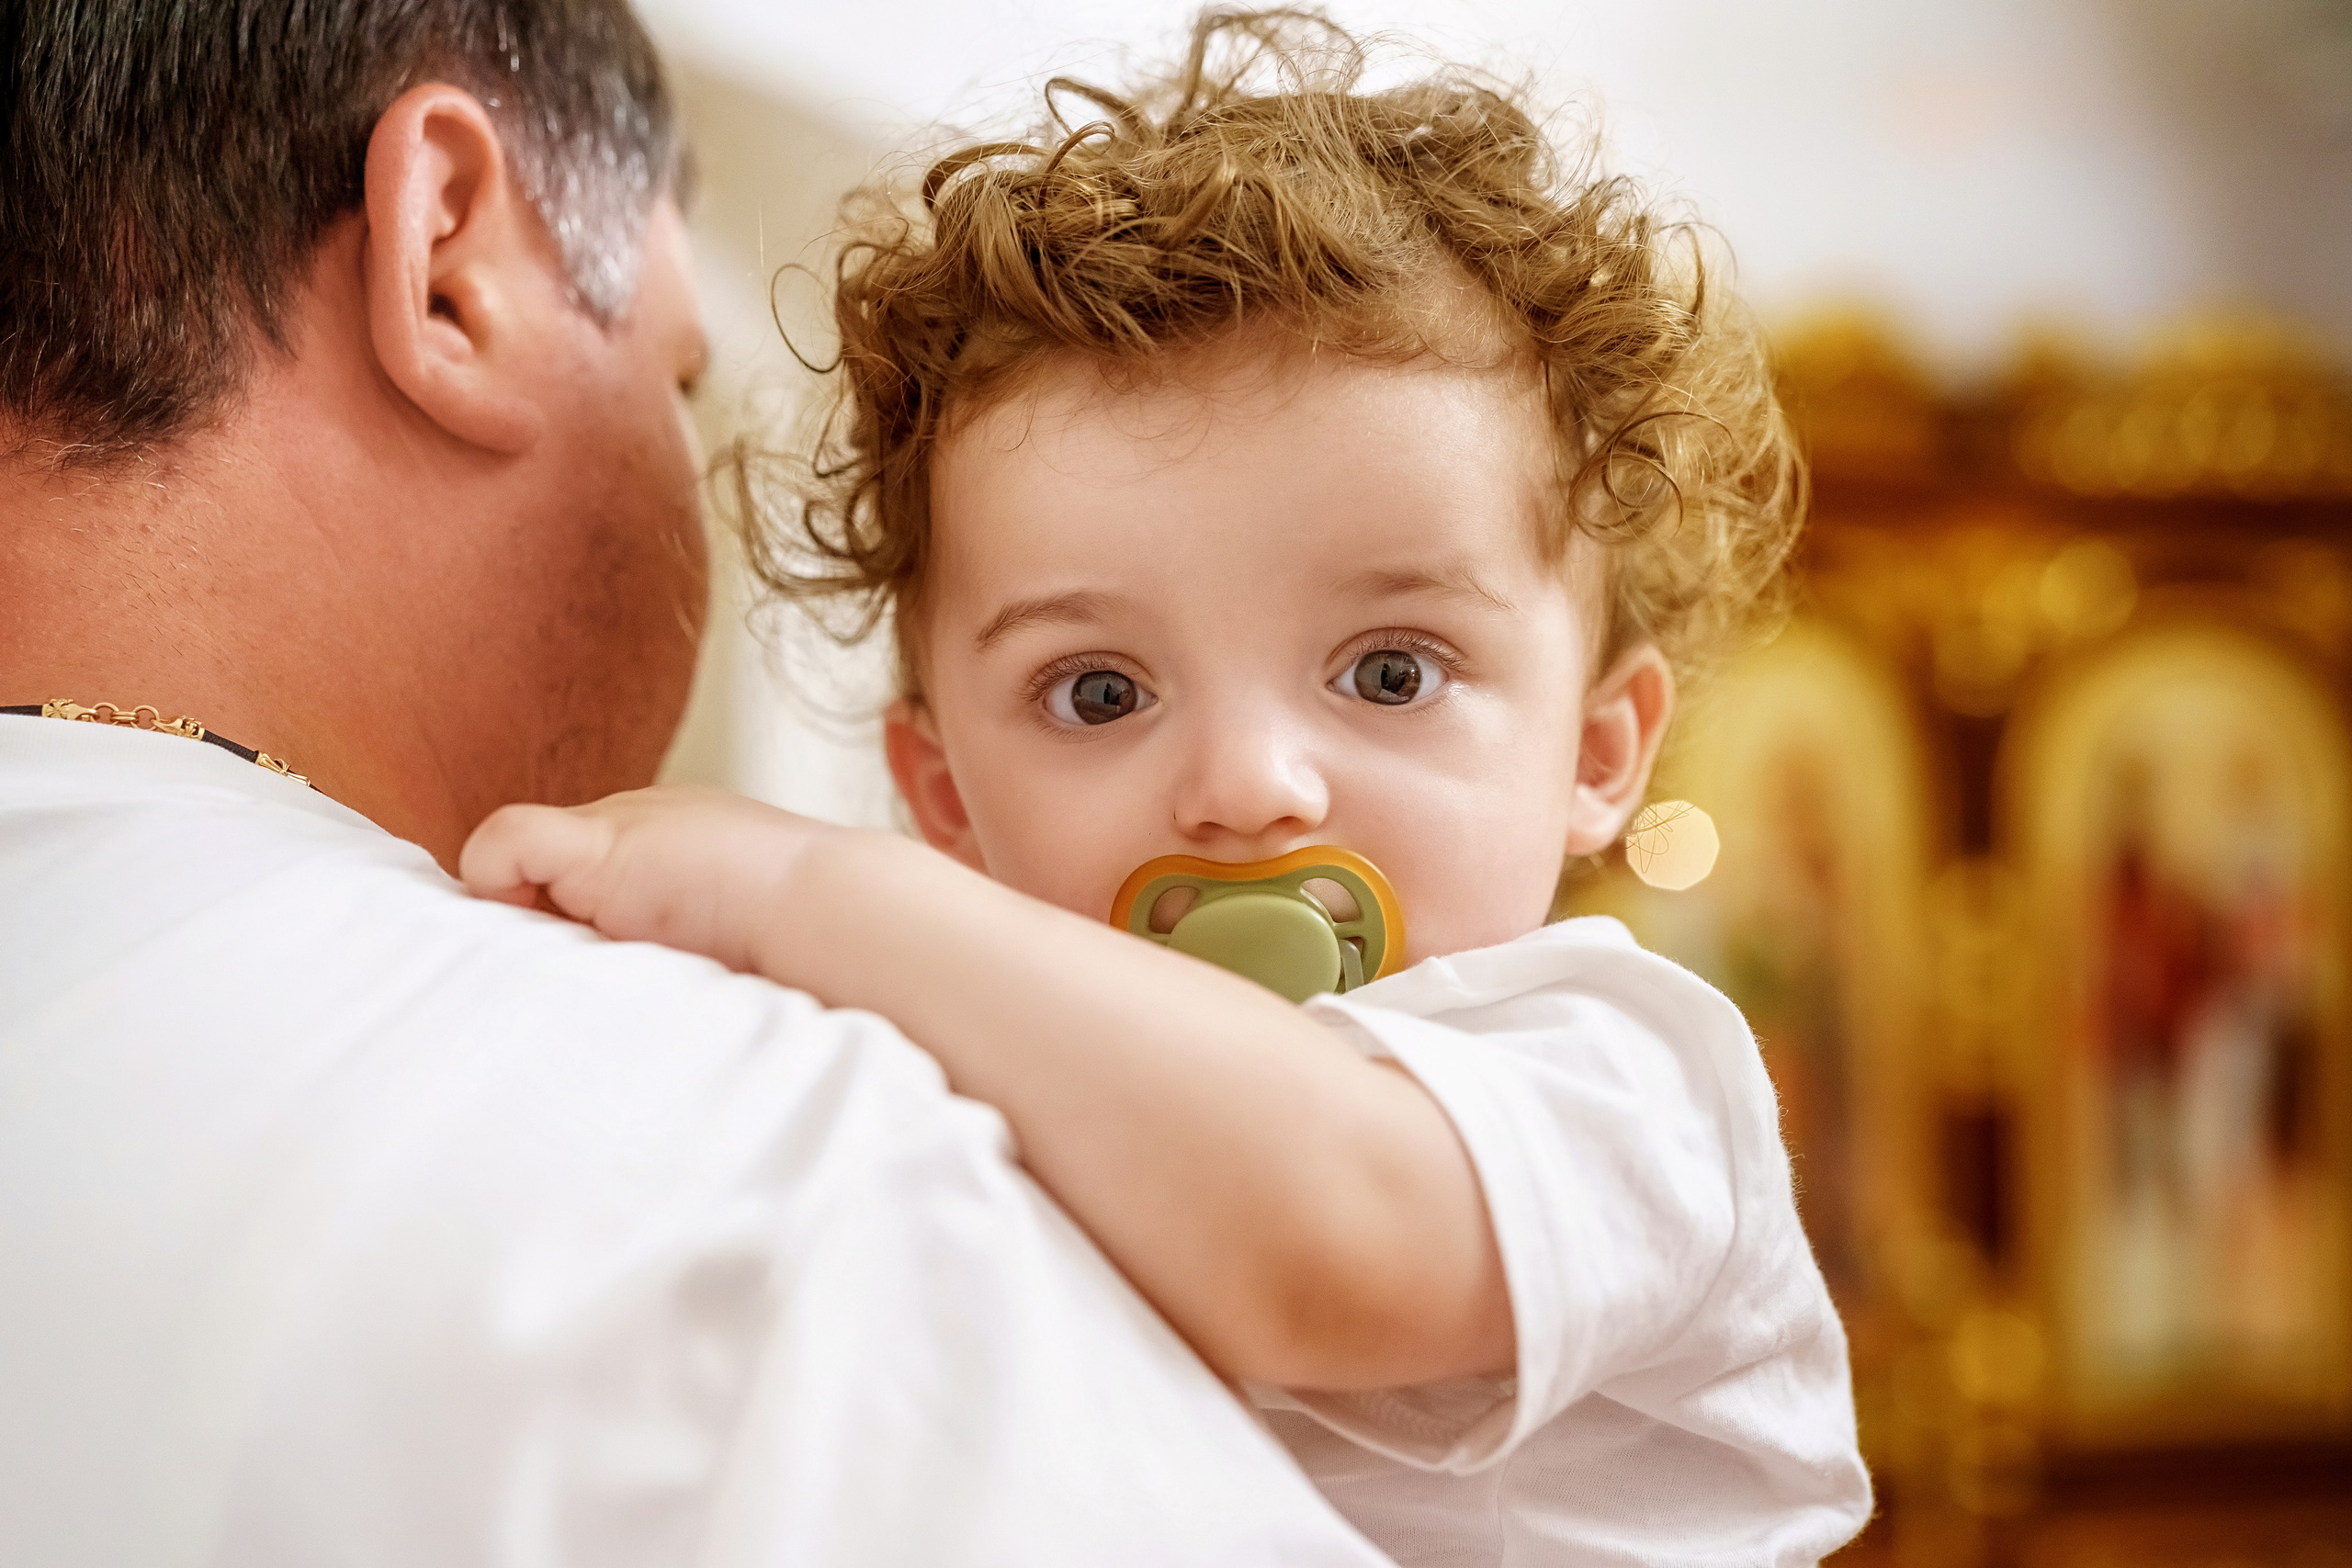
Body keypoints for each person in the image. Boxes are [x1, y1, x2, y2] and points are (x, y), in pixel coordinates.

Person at [462, 12, 1876, 1566]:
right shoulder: (957, 1079)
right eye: (1100, 693)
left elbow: (1330, 1240)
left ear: (1599, 753)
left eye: (1391, 673)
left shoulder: (1632, 1079)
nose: (1247, 787)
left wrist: (809, 893)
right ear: (943, 792)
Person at [0, 5, 1394, 1564]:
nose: (1246, 786)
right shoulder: (752, 1182)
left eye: (1390, 672)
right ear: (448, 260)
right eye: (679, 379)